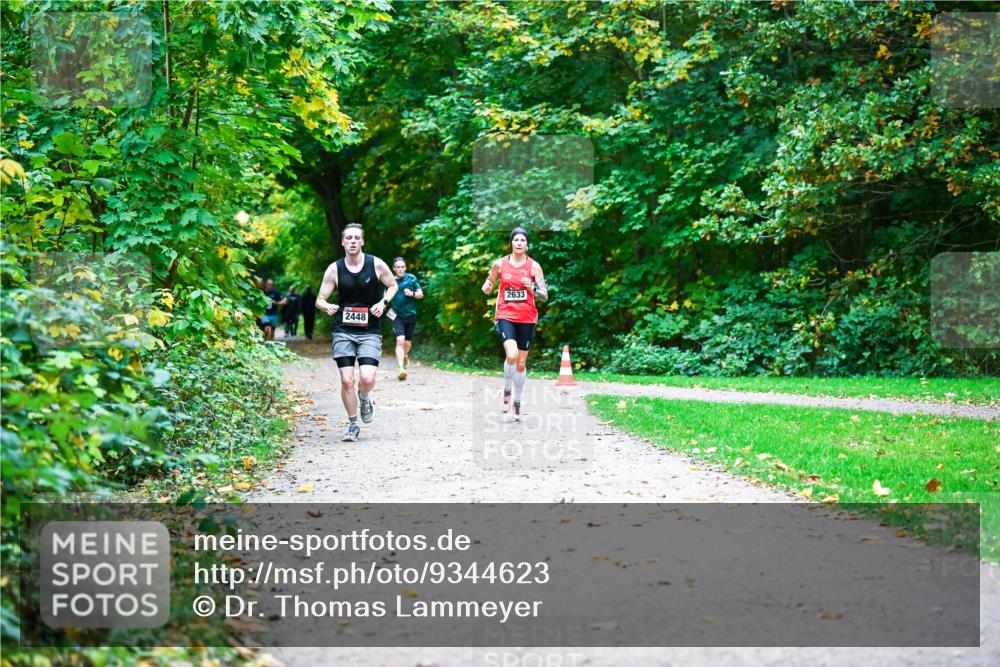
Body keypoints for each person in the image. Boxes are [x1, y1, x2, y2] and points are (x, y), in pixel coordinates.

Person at [316, 223, 398, 442]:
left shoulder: (376, 264)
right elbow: (320, 299)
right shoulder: (335, 269)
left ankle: (364, 397)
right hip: (343, 330)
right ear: (343, 242)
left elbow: (392, 286)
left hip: (370, 330)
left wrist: (383, 303)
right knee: (346, 380)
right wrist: (327, 307)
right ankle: (353, 425)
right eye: (348, 238)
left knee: (368, 378)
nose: (352, 241)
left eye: (356, 238)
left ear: (362, 241)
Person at [481, 227, 548, 420]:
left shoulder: (534, 267)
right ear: (511, 243)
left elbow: (544, 295)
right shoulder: (499, 264)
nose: (519, 243)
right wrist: (486, 287)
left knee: (521, 362)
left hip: (527, 318)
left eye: (522, 240)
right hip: (505, 315)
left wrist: (533, 287)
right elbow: (489, 284)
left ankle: (517, 403)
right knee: (511, 354)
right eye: (516, 240)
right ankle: (507, 391)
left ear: (527, 245)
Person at [389, 257, 423, 380]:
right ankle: (401, 369)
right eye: (398, 267)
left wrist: (412, 294)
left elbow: (421, 294)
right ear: (394, 268)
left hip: (410, 314)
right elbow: (385, 295)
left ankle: (405, 355)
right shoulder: (390, 280)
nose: (400, 269)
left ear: (405, 268)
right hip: (396, 315)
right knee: (400, 340)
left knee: (407, 343)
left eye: (402, 267)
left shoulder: (412, 278)